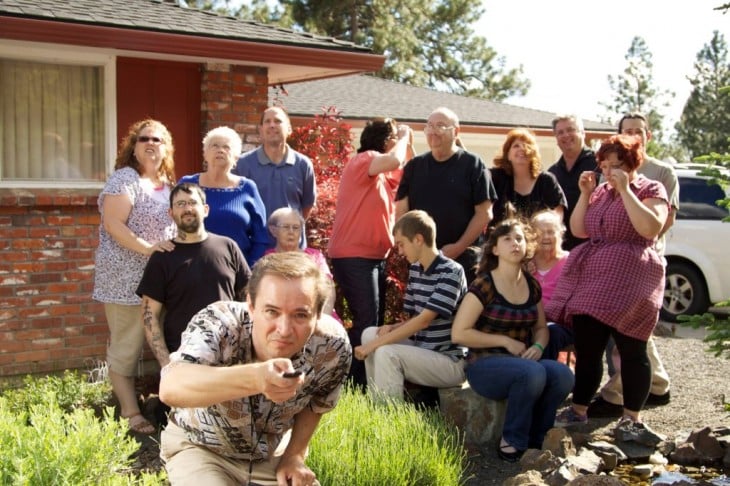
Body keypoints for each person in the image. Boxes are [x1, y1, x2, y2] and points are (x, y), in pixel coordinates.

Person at [158, 252, 351, 486]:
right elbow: (171, 386)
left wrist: (295, 456)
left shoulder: (332, 346)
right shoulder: (219, 323)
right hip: (200, 447)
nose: (284, 329)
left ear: (318, 314)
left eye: (300, 315)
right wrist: (256, 379)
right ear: (251, 305)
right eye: (272, 311)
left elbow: (317, 402)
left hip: (269, 454)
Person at [548, 135, 669, 432]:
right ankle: (579, 409)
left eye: (619, 165)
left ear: (632, 164)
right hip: (595, 277)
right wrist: (586, 193)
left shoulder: (650, 189)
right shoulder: (600, 192)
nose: (612, 171)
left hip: (634, 278)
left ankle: (631, 418)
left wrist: (626, 189)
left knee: (632, 349)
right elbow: (579, 229)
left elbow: (649, 228)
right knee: (588, 348)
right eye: (606, 165)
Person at [451, 216, 574, 462]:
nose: (515, 243)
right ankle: (513, 439)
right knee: (532, 373)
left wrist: (539, 345)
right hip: (484, 367)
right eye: (507, 239)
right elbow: (459, 333)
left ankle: (538, 439)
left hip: (524, 364)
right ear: (495, 249)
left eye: (519, 238)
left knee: (562, 375)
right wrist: (505, 341)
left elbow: (541, 327)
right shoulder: (484, 285)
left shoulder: (531, 285)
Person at [587, 112, 679, 417]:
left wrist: (637, 246)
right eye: (627, 130)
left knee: (633, 338)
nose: (633, 135)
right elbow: (592, 223)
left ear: (647, 136)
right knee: (617, 338)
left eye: (638, 131)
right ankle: (654, 385)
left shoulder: (661, 175)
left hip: (643, 263)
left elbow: (661, 222)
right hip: (607, 268)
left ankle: (624, 398)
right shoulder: (605, 177)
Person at [92, 119, 178, 435]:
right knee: (127, 346)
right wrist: (149, 250)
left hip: (161, 282)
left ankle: (166, 403)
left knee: (162, 344)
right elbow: (114, 224)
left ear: (166, 147)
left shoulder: (168, 184)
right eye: (144, 139)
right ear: (134, 145)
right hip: (125, 280)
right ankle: (130, 412)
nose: (151, 143)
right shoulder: (125, 179)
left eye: (158, 139)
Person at [328, 118, 414, 388]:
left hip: (374, 258)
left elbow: (405, 165)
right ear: (385, 141)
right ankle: (355, 384)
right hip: (354, 256)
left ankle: (364, 379)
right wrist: (403, 135)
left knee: (372, 322)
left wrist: (405, 141)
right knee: (366, 321)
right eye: (393, 140)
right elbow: (395, 160)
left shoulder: (383, 176)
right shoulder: (364, 160)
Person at [353, 210, 467, 399]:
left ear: (418, 239)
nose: (400, 251)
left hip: (449, 361)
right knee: (369, 334)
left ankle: (387, 417)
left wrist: (371, 347)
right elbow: (414, 320)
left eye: (401, 244)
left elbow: (424, 321)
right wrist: (391, 327)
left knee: (385, 352)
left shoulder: (452, 271)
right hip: (423, 348)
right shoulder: (415, 269)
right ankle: (376, 403)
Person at [136, 182, 251, 368]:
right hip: (185, 356)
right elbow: (149, 317)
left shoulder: (228, 247)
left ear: (205, 209)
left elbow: (249, 300)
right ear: (171, 213)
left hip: (230, 354)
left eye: (193, 202)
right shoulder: (162, 257)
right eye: (180, 204)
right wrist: (167, 364)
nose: (187, 209)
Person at [395, 106, 497, 284]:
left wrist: (458, 247)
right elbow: (402, 211)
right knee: (422, 311)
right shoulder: (414, 167)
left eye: (440, 126)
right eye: (429, 126)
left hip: (464, 260)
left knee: (461, 311)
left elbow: (484, 213)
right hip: (422, 262)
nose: (433, 131)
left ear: (456, 131)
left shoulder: (472, 164)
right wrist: (412, 248)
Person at [179, 126, 268, 268]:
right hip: (191, 267)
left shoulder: (247, 188)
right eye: (214, 145)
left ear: (236, 157)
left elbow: (261, 237)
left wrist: (249, 269)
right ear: (205, 153)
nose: (220, 150)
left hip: (235, 270)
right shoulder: (187, 184)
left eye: (226, 147)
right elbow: (171, 223)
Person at [234, 106, 317, 248]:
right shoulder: (243, 164)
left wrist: (288, 228)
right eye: (267, 121)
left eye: (278, 121)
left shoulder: (303, 164)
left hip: (292, 250)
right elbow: (237, 206)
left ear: (289, 129)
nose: (272, 125)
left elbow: (307, 206)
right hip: (255, 249)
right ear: (260, 130)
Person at [265, 207, 336, 317]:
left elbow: (328, 288)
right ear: (273, 230)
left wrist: (322, 318)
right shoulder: (268, 259)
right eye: (286, 227)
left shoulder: (315, 256)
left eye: (296, 227)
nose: (291, 232)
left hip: (320, 315)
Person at [490, 128, 567, 225]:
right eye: (516, 146)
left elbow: (557, 214)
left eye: (527, 145)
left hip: (539, 239)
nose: (522, 149)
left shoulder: (546, 180)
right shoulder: (496, 178)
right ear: (508, 155)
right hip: (501, 239)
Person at [548, 115, 599, 250]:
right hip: (561, 249)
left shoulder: (600, 164)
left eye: (571, 130)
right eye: (560, 132)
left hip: (594, 245)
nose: (566, 135)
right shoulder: (552, 173)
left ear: (583, 133)